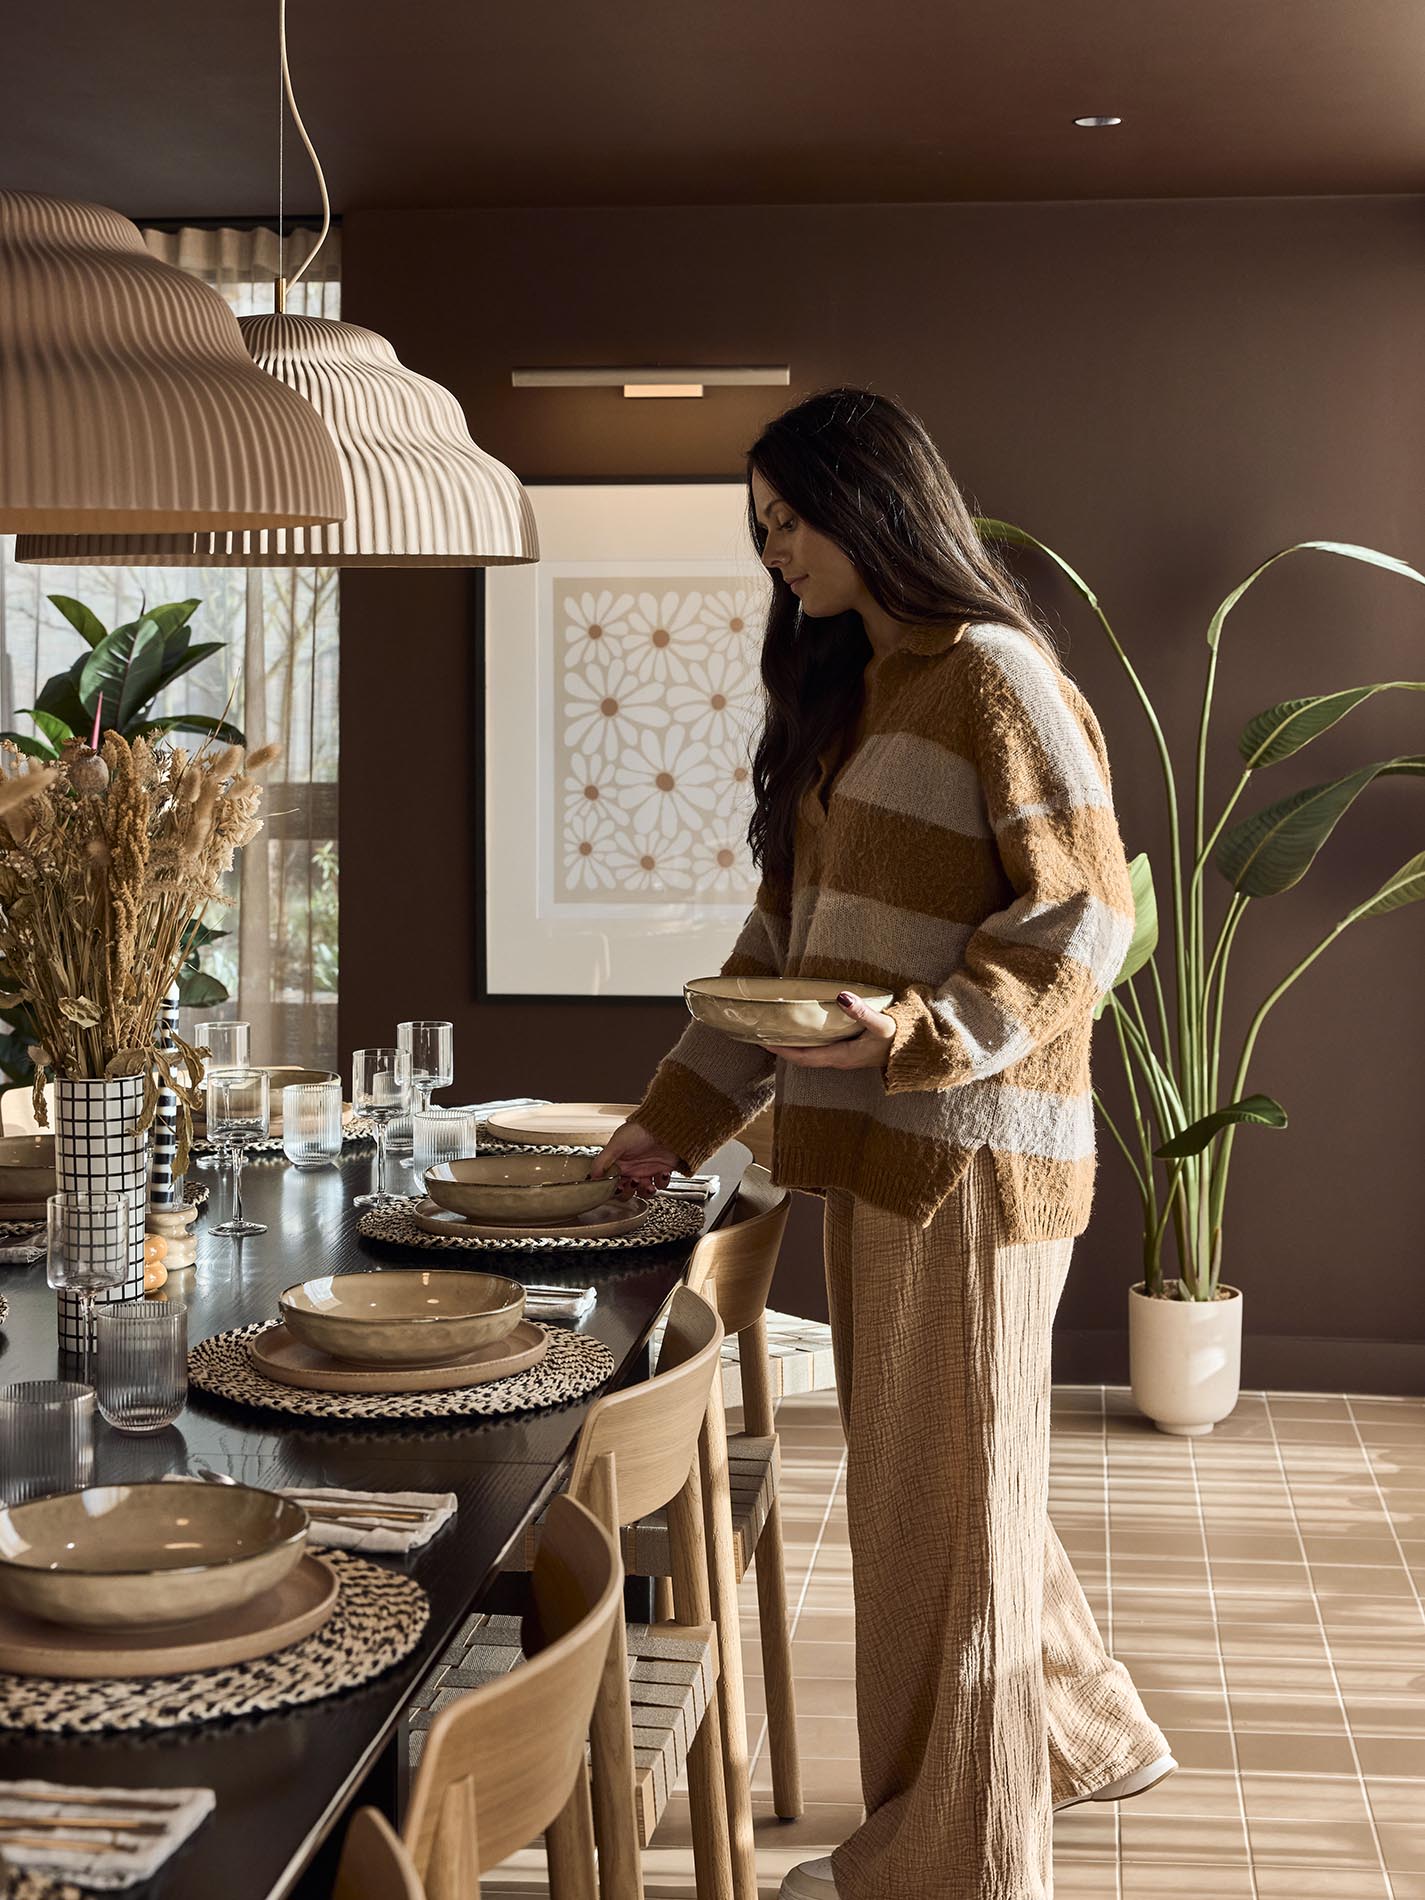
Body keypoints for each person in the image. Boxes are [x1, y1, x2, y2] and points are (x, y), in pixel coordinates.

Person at [595, 387, 1174, 1900]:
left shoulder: (989, 671)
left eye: (792, 515)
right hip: (872, 1153)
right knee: (955, 1489)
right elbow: (777, 950)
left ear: (876, 503)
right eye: (762, 525)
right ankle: (1085, 1736)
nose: (775, 548)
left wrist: (915, 1034)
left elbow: (1085, 916)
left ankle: (954, 1863)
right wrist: (670, 1121)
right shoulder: (848, 694)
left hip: (970, 1153)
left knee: (940, 1524)